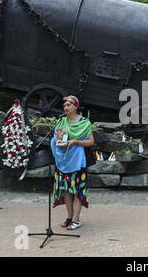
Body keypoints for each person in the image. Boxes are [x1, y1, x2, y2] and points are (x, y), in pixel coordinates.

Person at [50, 95, 94, 230]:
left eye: (68, 105)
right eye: (64, 106)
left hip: (78, 162)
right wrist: (56, 141)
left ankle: (76, 219)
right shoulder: (61, 122)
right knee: (66, 190)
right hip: (63, 161)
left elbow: (91, 142)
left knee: (77, 190)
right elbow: (56, 138)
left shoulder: (85, 123)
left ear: (75, 106)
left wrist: (76, 142)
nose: (65, 108)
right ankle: (69, 218)